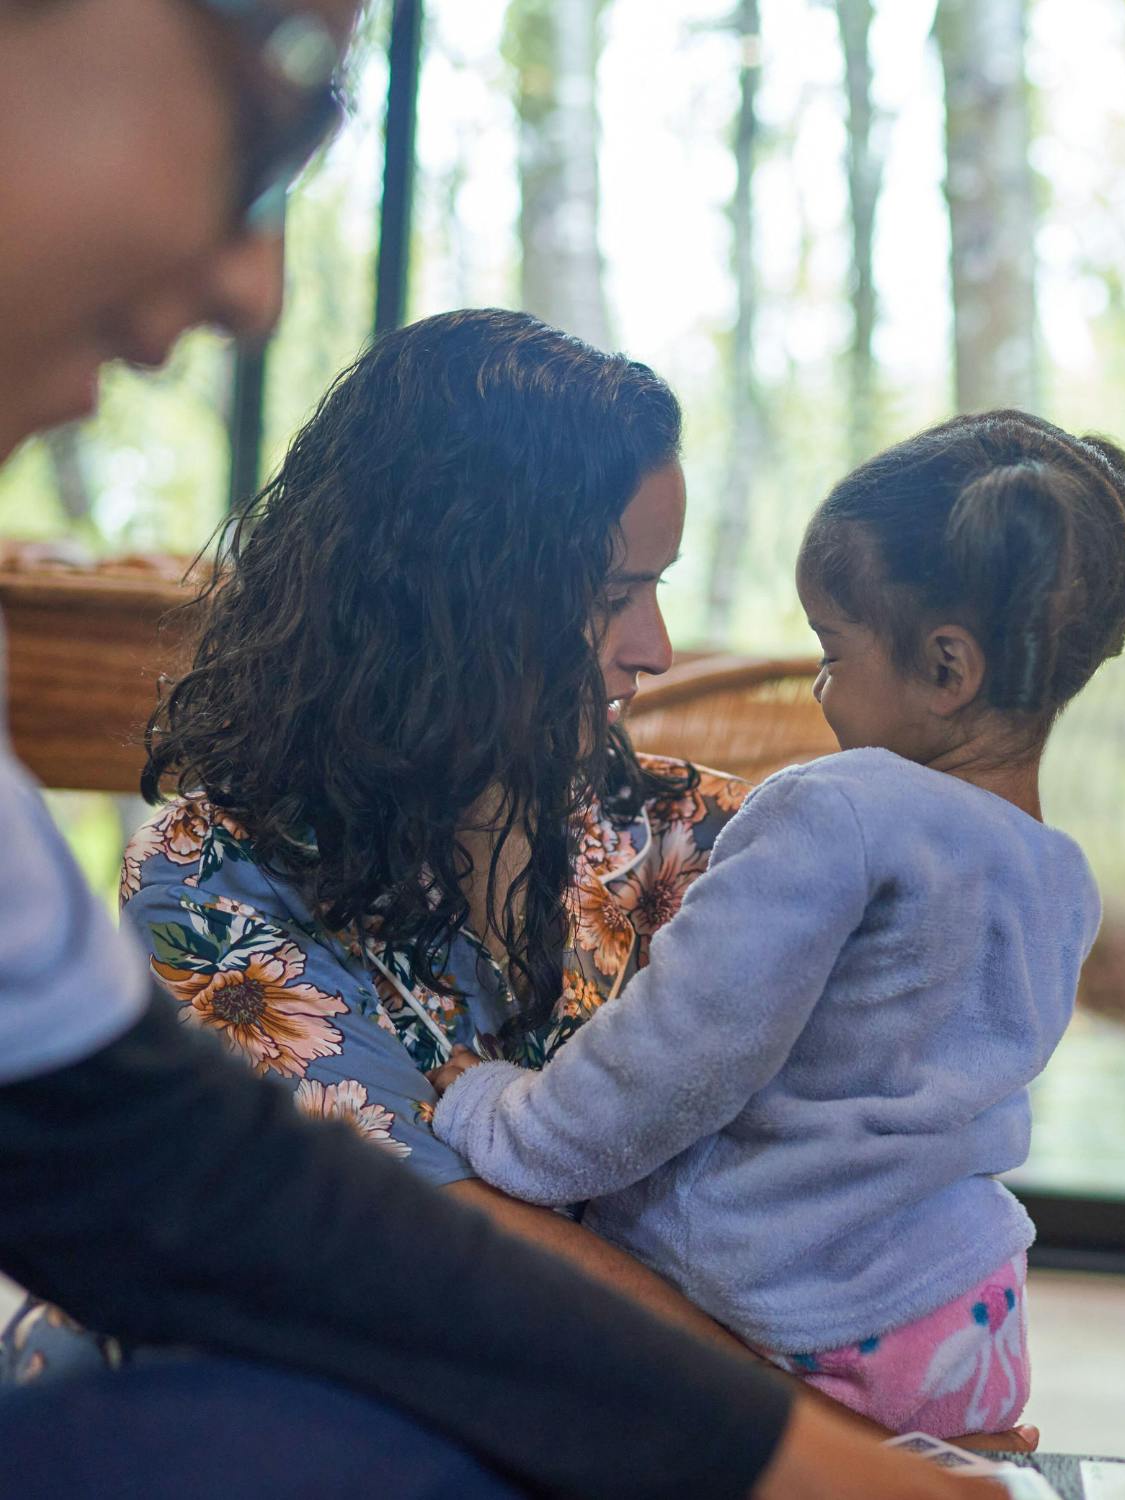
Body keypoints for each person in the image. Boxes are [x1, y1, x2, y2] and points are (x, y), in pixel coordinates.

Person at [0, 0, 1022, 1494]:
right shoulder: (214, 880)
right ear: (446, 600)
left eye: (659, 588)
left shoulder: (726, 844)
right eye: (611, 595)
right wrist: (836, 1441)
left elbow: (869, 1170)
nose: (655, 649)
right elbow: (398, 1248)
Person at [427, 411, 1125, 1437]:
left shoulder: (837, 812)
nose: (820, 689)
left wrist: (502, 1119)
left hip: (799, 1313)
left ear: (949, 669)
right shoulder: (1061, 878)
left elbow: (681, 1053)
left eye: (831, 652)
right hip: (968, 1320)